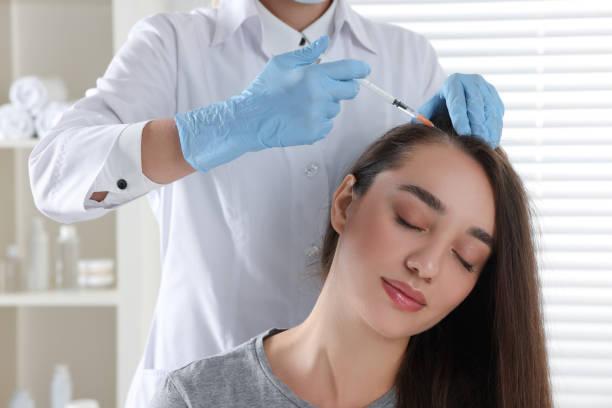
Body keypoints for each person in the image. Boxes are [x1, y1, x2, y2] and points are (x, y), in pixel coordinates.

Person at [28, 0, 505, 405]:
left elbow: (449, 224)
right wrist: (225, 125)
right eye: (408, 219)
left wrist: (456, 151)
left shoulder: (407, 58)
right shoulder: (174, 46)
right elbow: (54, 175)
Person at [150, 107, 551, 408]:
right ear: (345, 204)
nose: (426, 266)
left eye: (464, 258)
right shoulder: (196, 398)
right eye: (411, 220)